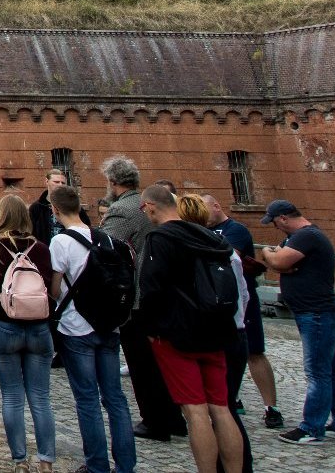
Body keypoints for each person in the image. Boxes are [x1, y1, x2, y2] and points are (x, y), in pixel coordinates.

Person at [138, 184, 244, 473]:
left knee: (195, 410)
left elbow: (151, 289)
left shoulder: (160, 237)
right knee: (221, 409)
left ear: (150, 206)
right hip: (217, 328)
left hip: (179, 333)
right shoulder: (210, 236)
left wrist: (151, 328)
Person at [49, 184, 136, 473]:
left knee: (87, 399)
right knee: (115, 398)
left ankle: (97, 465)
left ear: (55, 209)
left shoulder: (60, 242)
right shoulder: (105, 238)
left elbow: (55, 287)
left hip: (77, 327)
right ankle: (126, 466)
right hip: (108, 325)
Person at [259, 199, 335, 446]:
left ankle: (311, 427)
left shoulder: (307, 236)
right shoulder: (301, 238)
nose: (276, 228)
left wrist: (270, 255)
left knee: (317, 372)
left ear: (283, 218)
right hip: (316, 313)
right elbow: (279, 257)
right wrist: (276, 257)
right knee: (331, 370)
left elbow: (278, 261)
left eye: (275, 223)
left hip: (317, 314)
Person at [99, 156, 181, 442]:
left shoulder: (122, 210)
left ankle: (154, 420)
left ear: (113, 182)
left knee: (142, 363)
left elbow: (106, 251)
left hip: (137, 297)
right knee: (166, 360)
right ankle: (174, 416)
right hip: (165, 293)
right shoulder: (157, 206)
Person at [0, 193, 56, 473]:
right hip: (38, 328)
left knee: (12, 395)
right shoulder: (41, 248)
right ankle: (46, 461)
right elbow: (51, 287)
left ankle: (20, 460)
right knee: (41, 397)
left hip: (2, 325)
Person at [179, 194, 255, 473]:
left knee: (202, 409)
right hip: (232, 331)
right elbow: (243, 295)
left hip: (202, 335)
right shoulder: (225, 248)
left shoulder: (185, 249)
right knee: (223, 407)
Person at [205, 194, 281, 429]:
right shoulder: (205, 231)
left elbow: (229, 257)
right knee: (222, 353)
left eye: (205, 210)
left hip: (242, 300)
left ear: (217, 206)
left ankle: (271, 406)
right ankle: (231, 396)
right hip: (218, 302)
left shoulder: (235, 229)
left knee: (254, 351)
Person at [30, 169, 67, 244]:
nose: (60, 185)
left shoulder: (72, 206)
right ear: (47, 181)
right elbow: (30, 233)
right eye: (56, 182)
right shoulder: (36, 208)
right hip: (44, 251)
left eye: (63, 183)